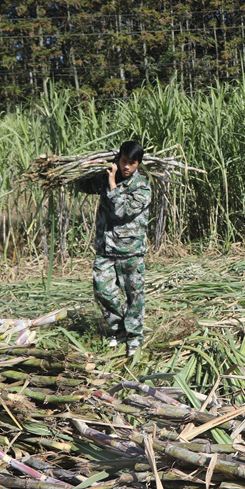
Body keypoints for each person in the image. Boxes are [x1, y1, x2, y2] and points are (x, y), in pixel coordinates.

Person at [76, 141, 152, 356]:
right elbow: (83, 186)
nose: (127, 167)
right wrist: (88, 168)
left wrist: (112, 183)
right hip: (105, 249)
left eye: (132, 163)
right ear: (118, 160)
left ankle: (134, 338)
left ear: (138, 164)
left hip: (130, 251)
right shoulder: (108, 176)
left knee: (134, 297)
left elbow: (121, 211)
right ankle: (118, 331)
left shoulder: (142, 187)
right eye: (124, 161)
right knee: (102, 291)